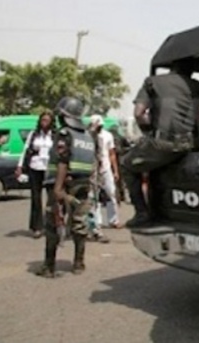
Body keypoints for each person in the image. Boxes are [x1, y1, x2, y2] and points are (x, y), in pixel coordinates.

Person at [122, 58, 199, 228]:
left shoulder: (153, 82)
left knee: (127, 165)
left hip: (163, 143)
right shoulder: (197, 86)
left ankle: (142, 213)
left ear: (172, 67)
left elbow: (139, 114)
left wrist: (148, 132)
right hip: (191, 145)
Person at [36, 97, 96, 278]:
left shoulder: (63, 134)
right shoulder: (88, 136)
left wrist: (58, 188)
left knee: (53, 223)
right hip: (83, 183)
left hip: (62, 184)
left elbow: (62, 160)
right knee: (79, 223)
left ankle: (49, 267)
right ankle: (79, 263)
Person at [16, 110, 55, 239]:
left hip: (49, 168)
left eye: (47, 120)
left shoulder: (54, 135)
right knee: (36, 198)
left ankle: (51, 225)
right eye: (43, 120)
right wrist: (20, 166)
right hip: (35, 166)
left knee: (52, 197)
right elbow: (25, 150)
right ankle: (37, 227)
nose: (44, 123)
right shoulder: (34, 135)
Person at [89, 115, 122, 229]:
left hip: (106, 168)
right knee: (94, 196)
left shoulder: (108, 135)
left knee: (111, 193)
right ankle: (97, 221)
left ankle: (113, 220)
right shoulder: (88, 136)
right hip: (93, 170)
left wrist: (115, 171)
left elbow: (112, 154)